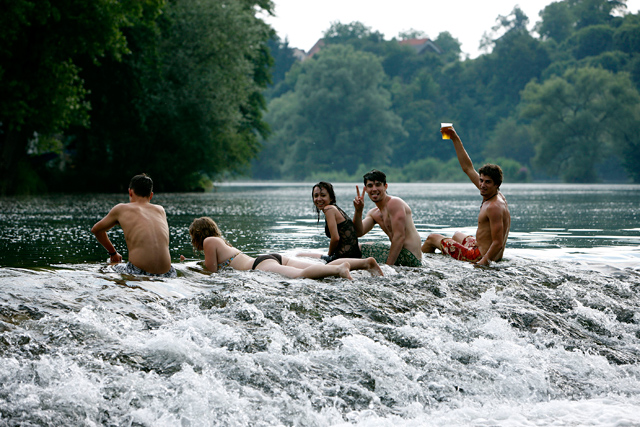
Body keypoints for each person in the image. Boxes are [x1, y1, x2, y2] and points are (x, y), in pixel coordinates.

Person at [422, 125, 511, 266]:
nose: (482, 185)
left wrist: (481, 264)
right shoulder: (493, 194)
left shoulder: (494, 206)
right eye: (481, 180)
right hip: (481, 248)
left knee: (431, 238)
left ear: (496, 185)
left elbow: (498, 243)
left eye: (487, 182)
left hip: (478, 256)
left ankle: (419, 267)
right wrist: (455, 138)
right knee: (457, 235)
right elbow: (468, 168)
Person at [185, 217, 383, 279]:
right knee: (306, 266)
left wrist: (191, 268)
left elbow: (210, 272)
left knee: (302, 274)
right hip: (271, 257)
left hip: (260, 266)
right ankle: (365, 263)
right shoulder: (220, 241)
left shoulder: (209, 242)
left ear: (198, 235)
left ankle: (339, 269)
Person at [91, 173, 177, 278]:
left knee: (108, 267)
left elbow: (96, 230)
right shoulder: (160, 210)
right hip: (168, 273)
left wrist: (113, 253)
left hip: (137, 272)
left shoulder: (121, 209)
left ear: (130, 192)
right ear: (151, 195)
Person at [352, 170, 423, 267]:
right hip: (400, 255)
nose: (374, 189)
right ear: (366, 189)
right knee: (356, 247)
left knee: (359, 248)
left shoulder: (394, 203)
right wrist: (358, 211)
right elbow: (358, 233)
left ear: (385, 186)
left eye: (378, 185)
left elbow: (399, 237)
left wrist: (388, 267)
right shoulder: (374, 213)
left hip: (410, 258)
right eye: (370, 186)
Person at [297, 182, 362, 262]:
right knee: (301, 255)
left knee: (299, 255)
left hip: (343, 258)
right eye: (316, 196)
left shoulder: (329, 209)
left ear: (331, 198)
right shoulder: (336, 209)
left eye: (323, 195)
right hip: (354, 255)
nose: (319, 199)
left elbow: (335, 238)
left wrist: (329, 256)